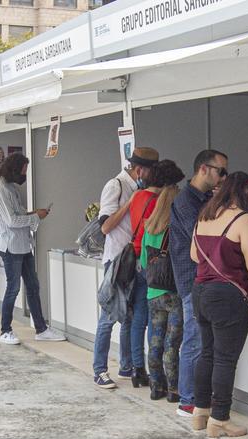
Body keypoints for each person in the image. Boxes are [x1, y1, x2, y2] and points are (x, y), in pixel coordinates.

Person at [189, 171, 248, 439]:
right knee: (226, 359)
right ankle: (220, 419)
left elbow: (194, 255)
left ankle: (200, 412)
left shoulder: (205, 215)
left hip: (200, 292)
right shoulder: (243, 219)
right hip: (227, 296)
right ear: (246, 192)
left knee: (207, 354)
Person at [92, 146, 159, 388]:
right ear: (140, 169)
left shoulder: (141, 188)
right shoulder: (116, 186)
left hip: (135, 261)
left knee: (131, 317)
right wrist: (130, 202)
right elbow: (106, 227)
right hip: (117, 261)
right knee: (110, 315)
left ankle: (127, 365)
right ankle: (99, 369)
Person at [168, 149, 227, 417]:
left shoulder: (204, 198)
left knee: (203, 341)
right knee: (193, 340)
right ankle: (188, 399)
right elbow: (204, 236)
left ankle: (197, 396)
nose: (222, 177)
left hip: (203, 279)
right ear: (204, 169)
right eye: (220, 171)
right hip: (191, 278)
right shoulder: (185, 202)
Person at [0, 153, 65, 345]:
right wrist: (35, 217)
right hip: (11, 246)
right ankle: (5, 330)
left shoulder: (11, 188)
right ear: (14, 169)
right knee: (13, 288)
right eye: (23, 170)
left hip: (23, 245)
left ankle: (41, 328)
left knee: (33, 286)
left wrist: (34, 213)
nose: (24, 174)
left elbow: (18, 213)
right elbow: (11, 220)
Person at [141, 172, 183, 402]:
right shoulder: (175, 229)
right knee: (172, 343)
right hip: (173, 292)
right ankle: (174, 389)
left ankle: (156, 386)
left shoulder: (150, 227)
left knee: (155, 341)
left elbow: (144, 262)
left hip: (152, 292)